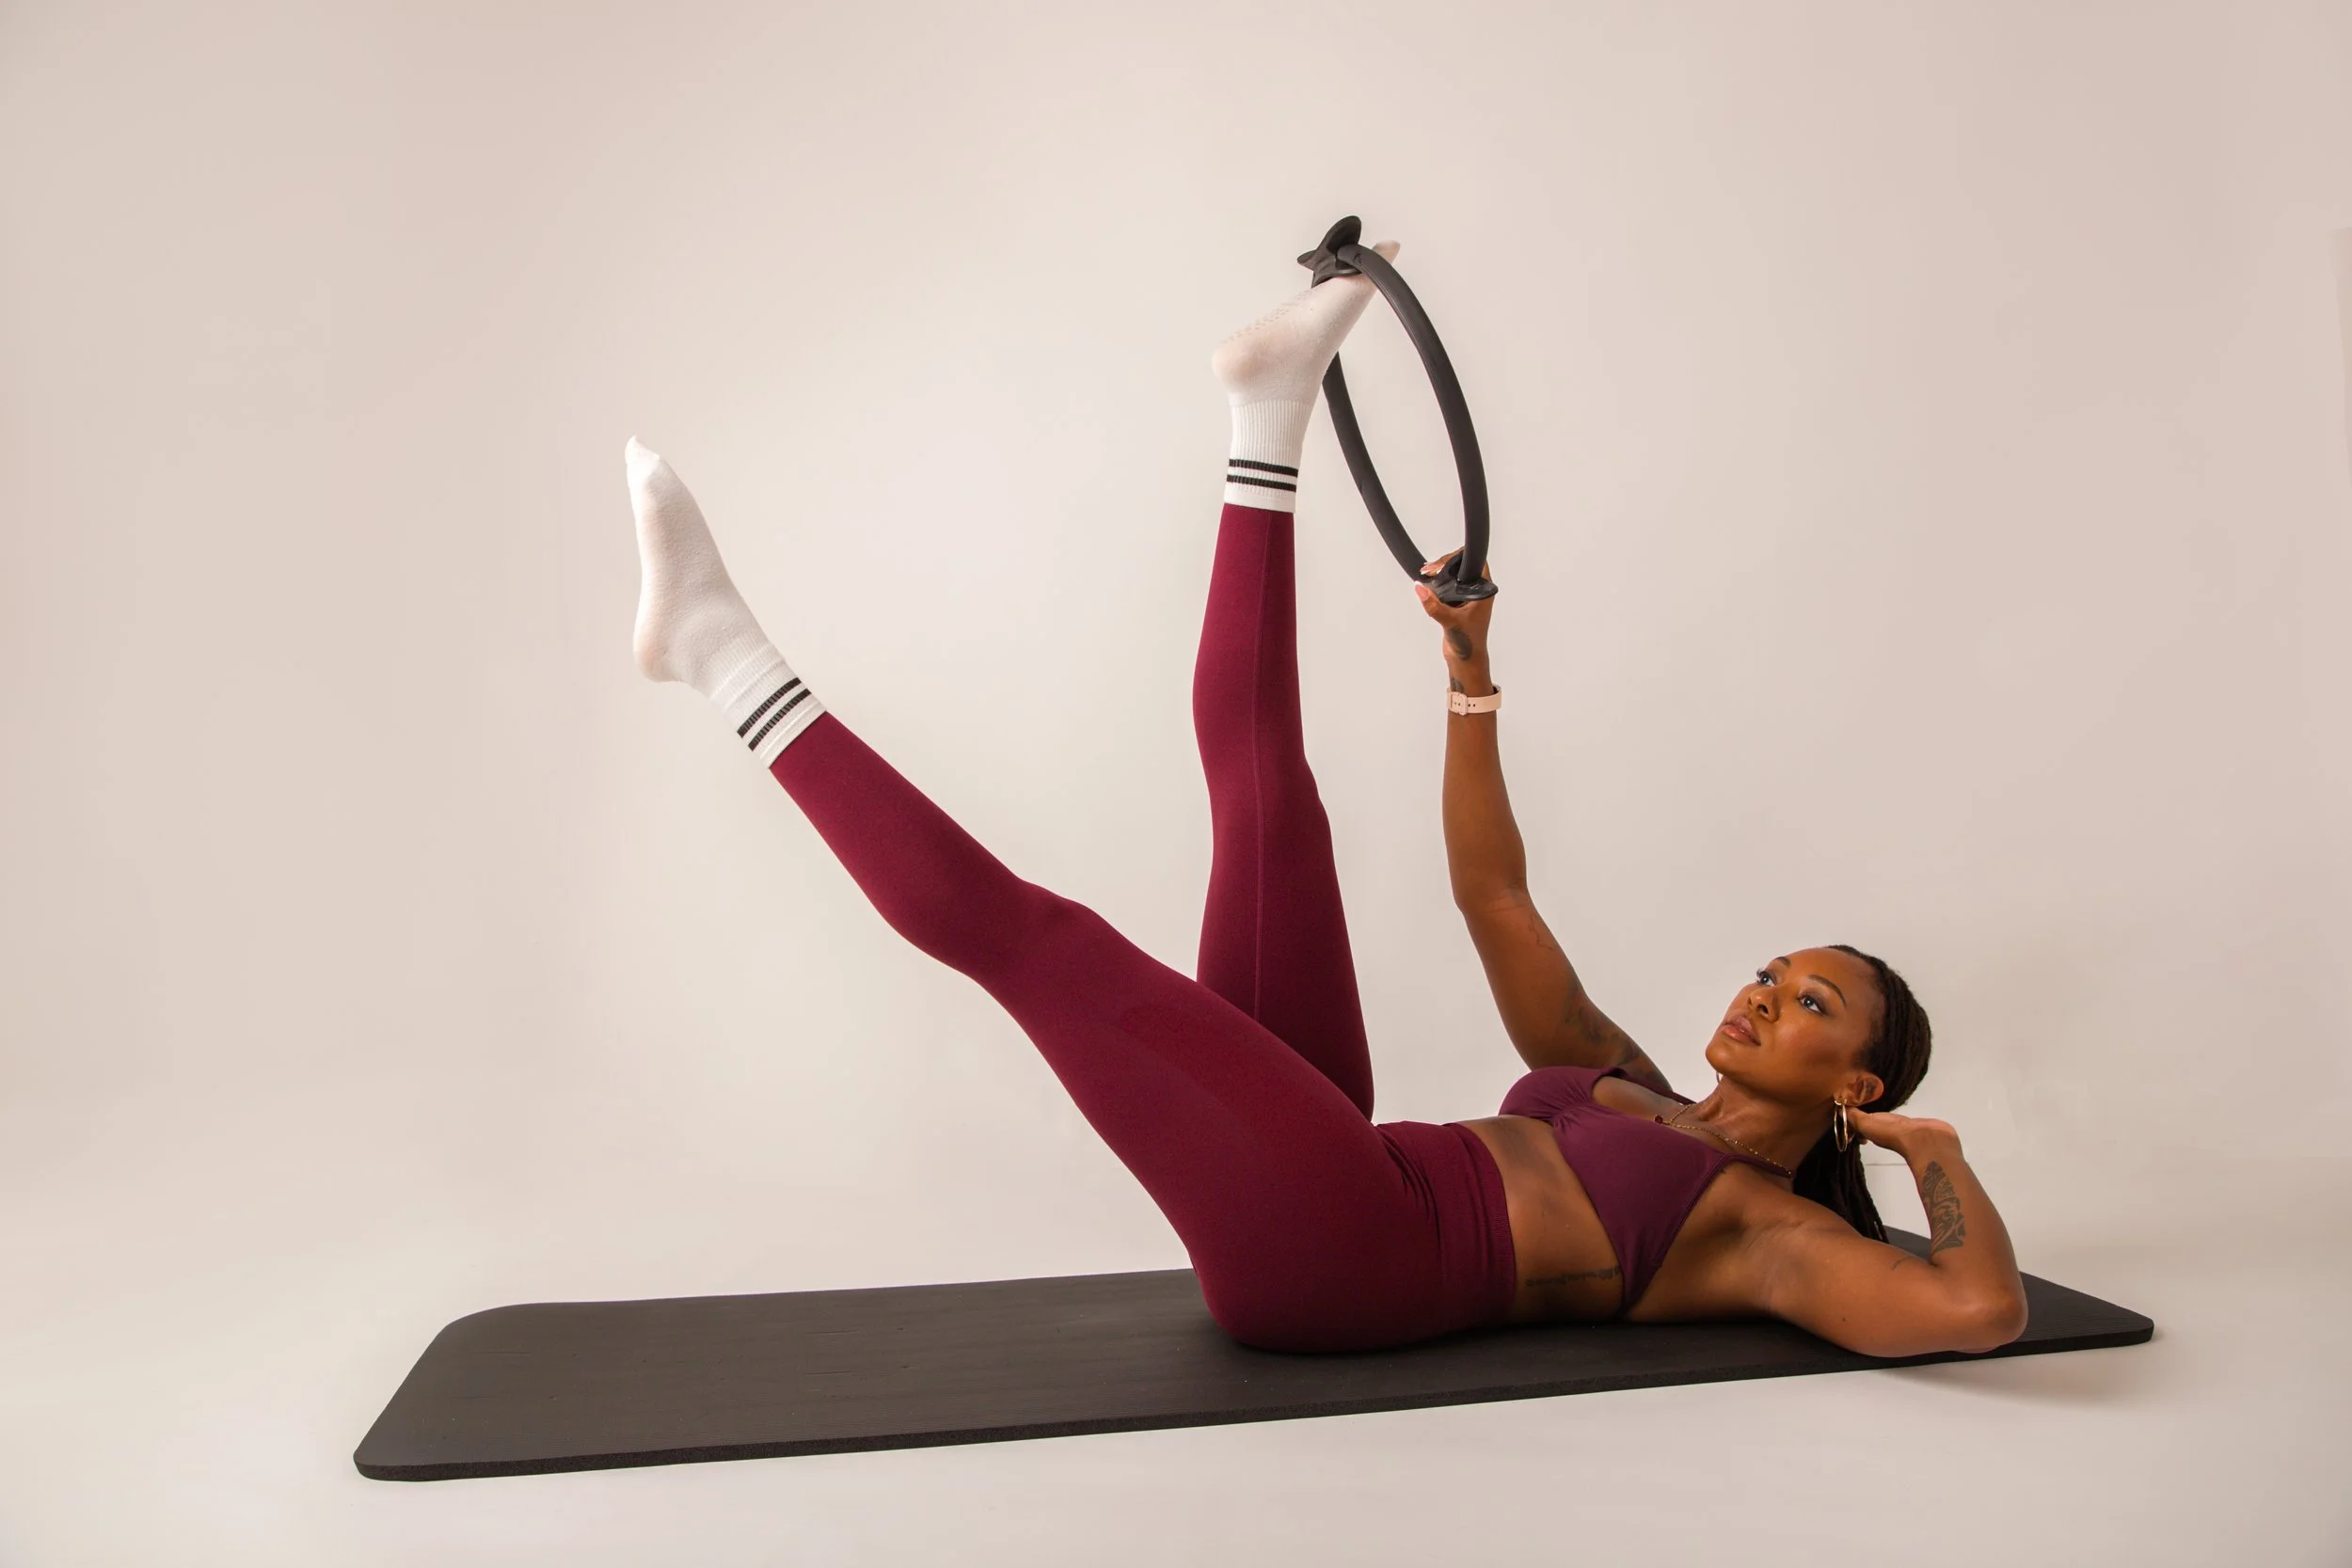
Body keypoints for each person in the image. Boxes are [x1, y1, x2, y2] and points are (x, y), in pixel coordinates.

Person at [622, 242, 2030, 1358]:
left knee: (1046, 944)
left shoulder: (1765, 1234)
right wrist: (1470, 678)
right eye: (1779, 971)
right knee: (1272, 804)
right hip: (1341, 1153)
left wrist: (1938, 1156)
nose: (1765, 991)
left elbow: (1976, 1310)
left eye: (1808, 1005)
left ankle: (720, 658)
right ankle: (1267, 408)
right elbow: (1495, 894)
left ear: (1855, 1081)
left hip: (1340, 1256)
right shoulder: (1631, 1080)